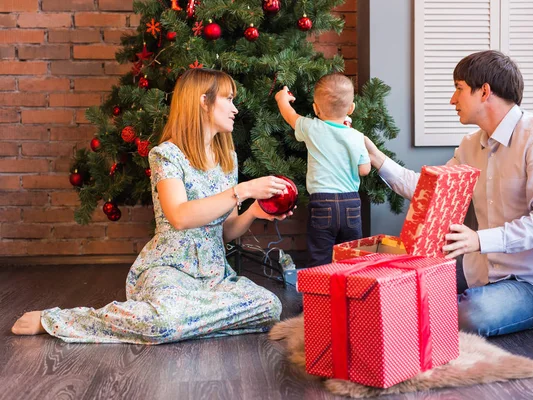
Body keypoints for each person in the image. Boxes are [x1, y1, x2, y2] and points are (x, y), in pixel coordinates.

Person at [12, 68, 294, 344]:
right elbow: (180, 217)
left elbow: (225, 231)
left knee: (269, 307)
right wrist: (241, 190)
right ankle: (61, 320)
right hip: (168, 268)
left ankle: (186, 321)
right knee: (162, 323)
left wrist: (255, 210)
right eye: (228, 99)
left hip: (213, 273)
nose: (235, 108)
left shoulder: (227, 159)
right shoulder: (166, 155)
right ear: (203, 101)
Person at [365, 50, 533, 337]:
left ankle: (414, 319)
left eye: (459, 89)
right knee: (398, 285)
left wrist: (479, 239)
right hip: (478, 273)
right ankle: (414, 316)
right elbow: (429, 190)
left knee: (473, 312)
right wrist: (377, 158)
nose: (452, 99)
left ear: (484, 91)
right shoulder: (470, 145)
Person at [275, 73, 371, 267]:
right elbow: (364, 170)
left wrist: (281, 98)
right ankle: (350, 293)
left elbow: (289, 115)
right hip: (351, 203)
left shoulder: (312, 128)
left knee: (320, 255)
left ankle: (321, 294)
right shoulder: (357, 136)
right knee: (352, 256)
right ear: (351, 108)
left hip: (322, 202)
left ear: (316, 108)